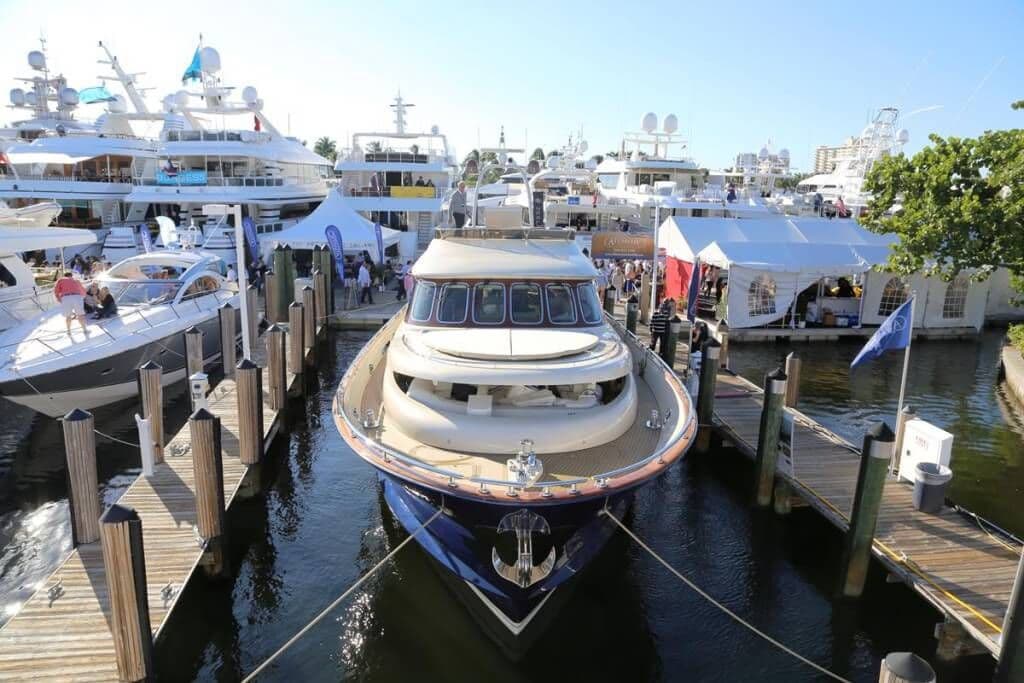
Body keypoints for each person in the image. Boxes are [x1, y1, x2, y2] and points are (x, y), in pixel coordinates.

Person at [54, 272, 88, 337]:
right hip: (77, 296)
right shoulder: (76, 280)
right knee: (80, 315)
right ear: (71, 276)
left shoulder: (61, 280)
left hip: (66, 297)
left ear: (64, 276)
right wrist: (83, 297)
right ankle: (84, 330)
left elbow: (56, 290)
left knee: (68, 316)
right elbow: (82, 290)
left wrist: (59, 299)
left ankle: (69, 331)